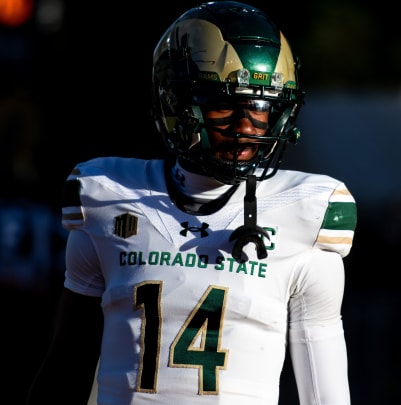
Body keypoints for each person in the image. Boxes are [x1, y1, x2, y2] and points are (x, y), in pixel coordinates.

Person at [26, 2, 357, 404]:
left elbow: (325, 394)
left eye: (261, 107)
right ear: (177, 104)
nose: (247, 127)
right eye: (226, 106)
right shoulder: (106, 197)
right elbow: (66, 366)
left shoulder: (307, 212)